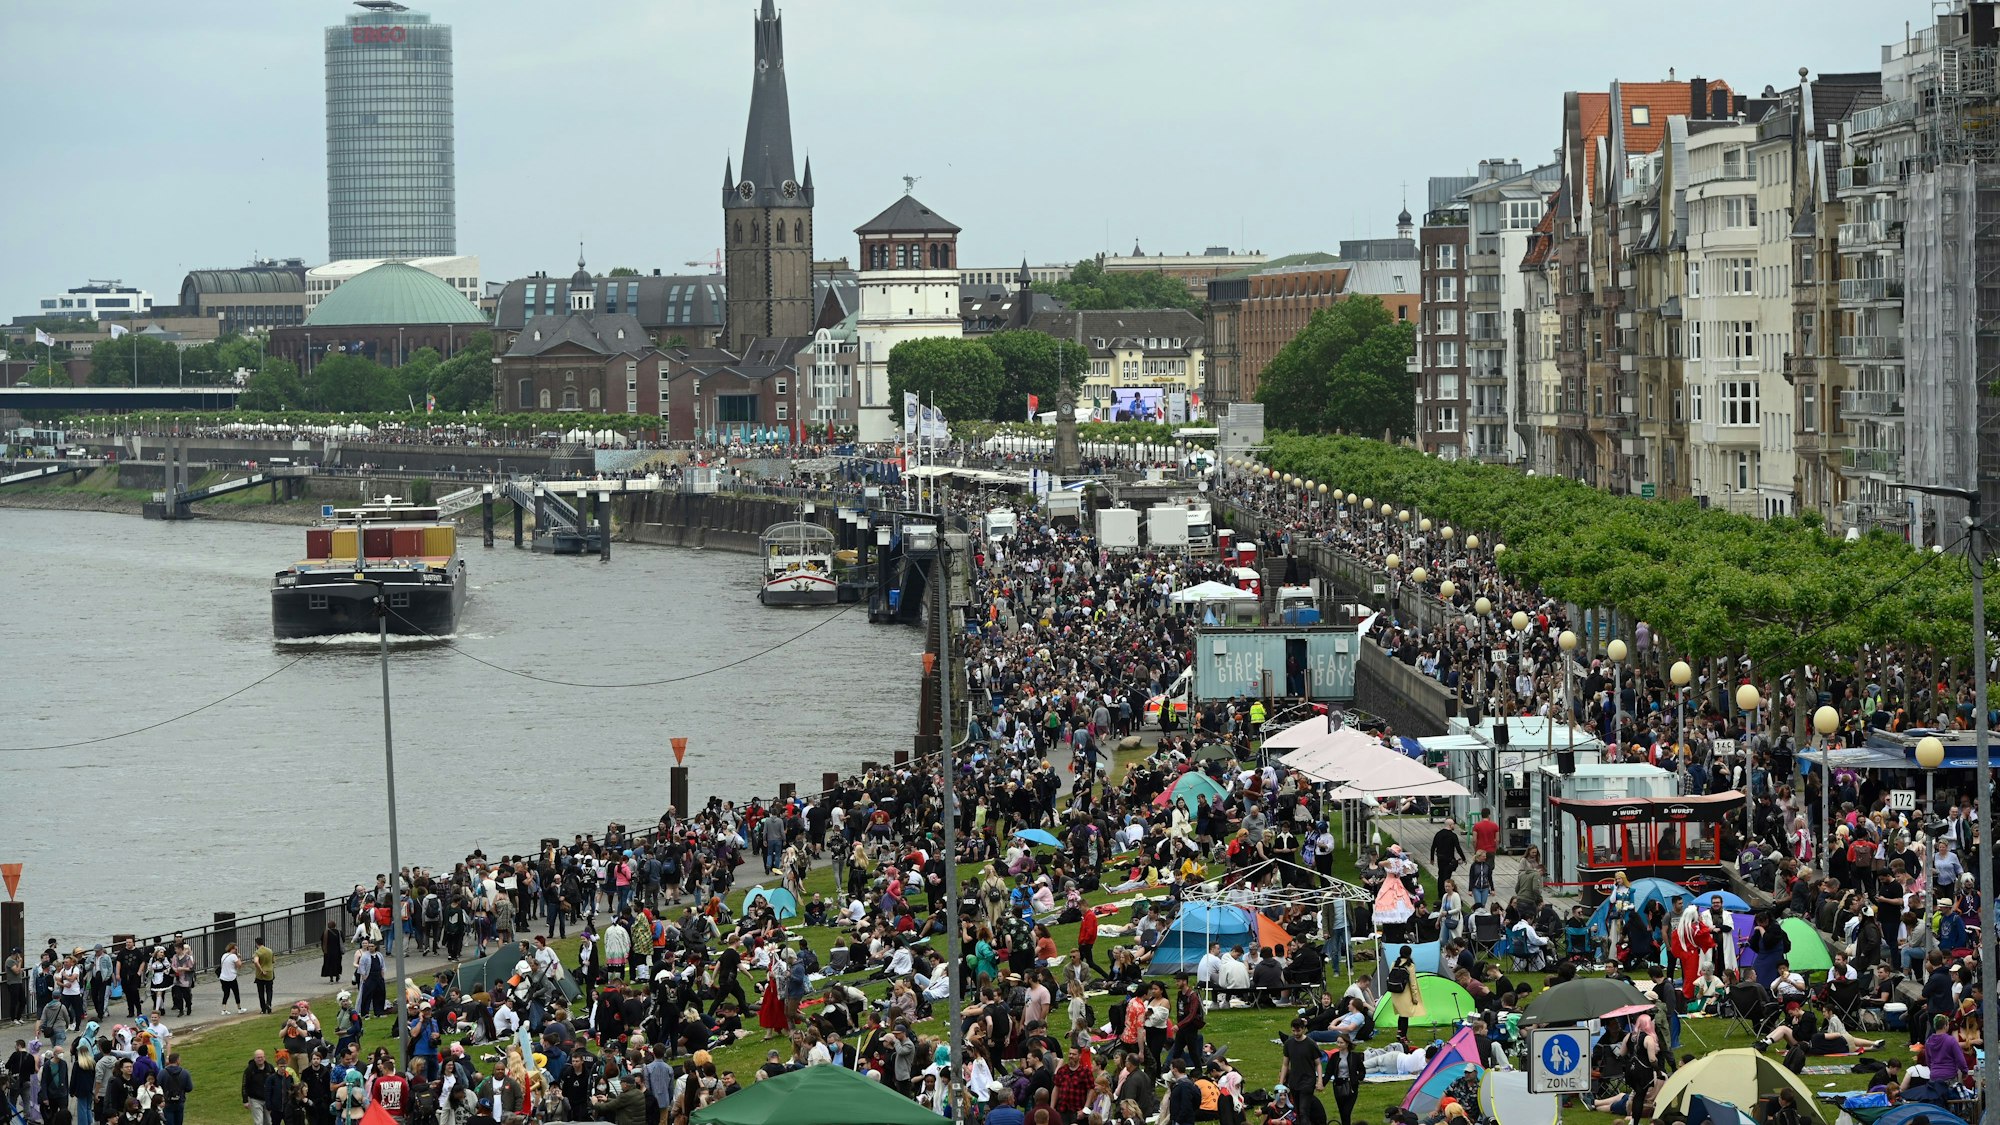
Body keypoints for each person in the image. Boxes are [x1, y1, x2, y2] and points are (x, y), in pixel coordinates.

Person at [1386, 946, 1424, 1039]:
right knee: (1405, 1015)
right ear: (1410, 954)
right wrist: (1415, 998)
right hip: (1405, 993)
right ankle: (1403, 1036)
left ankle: (1400, 1033)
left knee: (1401, 1015)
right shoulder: (1410, 965)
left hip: (1395, 992)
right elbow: (1413, 983)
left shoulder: (1394, 963)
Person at [1325, 1034, 1362, 1125]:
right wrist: (1322, 1084)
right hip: (1338, 1086)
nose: (1339, 1044)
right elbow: (1328, 1072)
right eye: (1337, 1042)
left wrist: (1358, 1079)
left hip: (1351, 1086)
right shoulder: (1334, 1057)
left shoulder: (1355, 1056)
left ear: (1347, 1044)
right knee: (1342, 1112)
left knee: (1346, 1112)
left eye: (1341, 1042)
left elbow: (1362, 1070)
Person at [252, 937, 276, 1015]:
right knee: (269, 990)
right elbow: (273, 961)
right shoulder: (270, 950)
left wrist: (261, 970)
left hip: (260, 975)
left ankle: (263, 1009)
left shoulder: (257, 952)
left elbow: (256, 961)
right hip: (269, 973)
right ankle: (268, 1004)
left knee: (261, 992)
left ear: (256, 944)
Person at [218, 943, 243, 1015]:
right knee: (236, 993)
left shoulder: (224, 955)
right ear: (232, 949)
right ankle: (239, 1008)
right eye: (236, 949)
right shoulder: (234, 956)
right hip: (231, 977)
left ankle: (224, 1009)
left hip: (223, 977)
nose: (236, 950)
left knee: (226, 993)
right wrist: (239, 958)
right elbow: (239, 966)